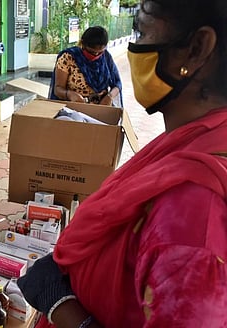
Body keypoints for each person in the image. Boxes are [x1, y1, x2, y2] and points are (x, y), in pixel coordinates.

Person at [19, 0, 227, 327]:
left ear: (197, 48)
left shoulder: (192, 216)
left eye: (142, 32)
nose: (134, 48)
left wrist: (59, 303)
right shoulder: (192, 142)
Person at [48, 26, 122, 107]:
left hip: (101, 107)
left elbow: (117, 84)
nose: (96, 55)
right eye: (91, 52)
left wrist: (110, 96)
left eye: (100, 52)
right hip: (74, 108)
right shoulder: (68, 57)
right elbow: (58, 89)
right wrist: (70, 94)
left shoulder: (106, 57)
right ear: (82, 44)